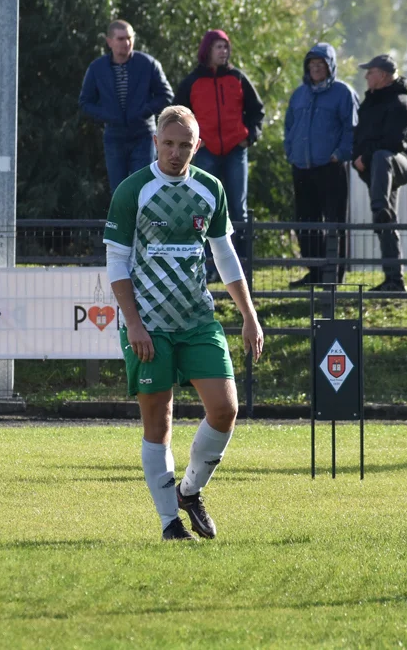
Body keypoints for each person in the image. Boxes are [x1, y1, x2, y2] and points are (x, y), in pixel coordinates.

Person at [103, 105, 264, 541]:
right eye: (168, 143)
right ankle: (169, 524)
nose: (175, 152)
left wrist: (249, 316)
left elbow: (224, 254)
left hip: (197, 319)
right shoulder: (133, 190)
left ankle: (189, 492)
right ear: (156, 142)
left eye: (184, 145)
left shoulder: (210, 189)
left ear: (199, 146)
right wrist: (133, 325)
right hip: (149, 324)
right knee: (159, 422)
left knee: (225, 409)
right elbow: (116, 262)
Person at [174, 29, 264, 278]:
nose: (224, 52)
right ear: (207, 51)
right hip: (205, 152)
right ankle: (205, 268)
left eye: (226, 47)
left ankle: (243, 267)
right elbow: (177, 116)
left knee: (238, 209)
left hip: (236, 150)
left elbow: (257, 111)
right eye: (218, 47)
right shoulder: (191, 82)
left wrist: (250, 137)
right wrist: (190, 144)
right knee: (203, 208)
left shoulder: (237, 78)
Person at [283, 42, 359, 288]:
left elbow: (352, 129)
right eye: (312, 65)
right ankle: (315, 272)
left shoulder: (343, 93)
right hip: (302, 167)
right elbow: (289, 126)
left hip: (331, 167)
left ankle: (334, 276)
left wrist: (341, 154)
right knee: (305, 222)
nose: (316, 69)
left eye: (320, 64)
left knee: (334, 222)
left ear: (330, 66)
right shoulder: (299, 94)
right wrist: (290, 151)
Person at [79, 20, 175, 193]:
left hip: (143, 135)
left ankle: (144, 220)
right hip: (114, 135)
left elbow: (166, 94)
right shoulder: (97, 68)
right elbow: (85, 102)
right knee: (119, 190)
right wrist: (107, 115)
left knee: (143, 186)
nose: (127, 43)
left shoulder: (147, 64)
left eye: (130, 38)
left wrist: (144, 111)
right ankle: (122, 221)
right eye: (121, 39)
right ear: (109, 41)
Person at [352, 54, 407, 292]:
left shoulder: (401, 103)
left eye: (369, 72)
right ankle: (394, 280)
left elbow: (394, 143)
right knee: (387, 221)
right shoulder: (369, 103)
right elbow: (359, 136)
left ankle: (379, 208)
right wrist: (356, 157)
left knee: (382, 157)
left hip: (402, 163)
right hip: (378, 167)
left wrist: (366, 157)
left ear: (382, 75)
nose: (366, 76)